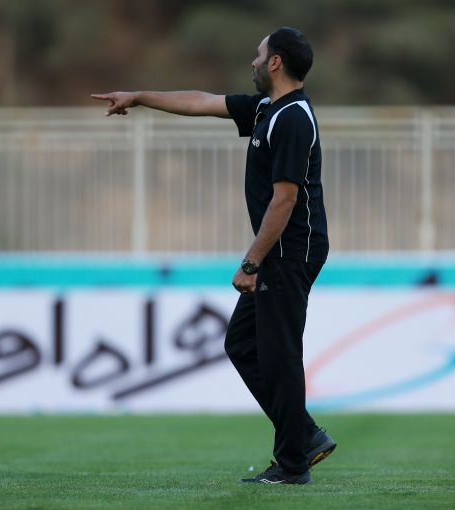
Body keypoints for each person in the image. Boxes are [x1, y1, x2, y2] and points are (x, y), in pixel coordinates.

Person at [93, 26, 336, 485]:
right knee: (242, 343)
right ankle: (303, 435)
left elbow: (285, 199)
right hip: (280, 251)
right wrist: (140, 97)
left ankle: (293, 464)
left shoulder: (293, 118)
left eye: (258, 55)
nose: (253, 62)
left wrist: (251, 262)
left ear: (276, 62)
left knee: (280, 354)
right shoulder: (267, 109)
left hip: (290, 251)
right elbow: (201, 101)